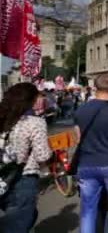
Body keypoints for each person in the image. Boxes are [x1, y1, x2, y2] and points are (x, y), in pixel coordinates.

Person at [73, 74, 108, 233]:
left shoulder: (81, 109)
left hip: (86, 163)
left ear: (95, 88)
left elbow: (77, 139)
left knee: (88, 209)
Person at [0, 83, 52, 233]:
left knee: (22, 217)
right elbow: (42, 155)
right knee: (17, 223)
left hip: (2, 176)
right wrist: (51, 154)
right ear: (30, 100)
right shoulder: (34, 122)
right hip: (22, 178)